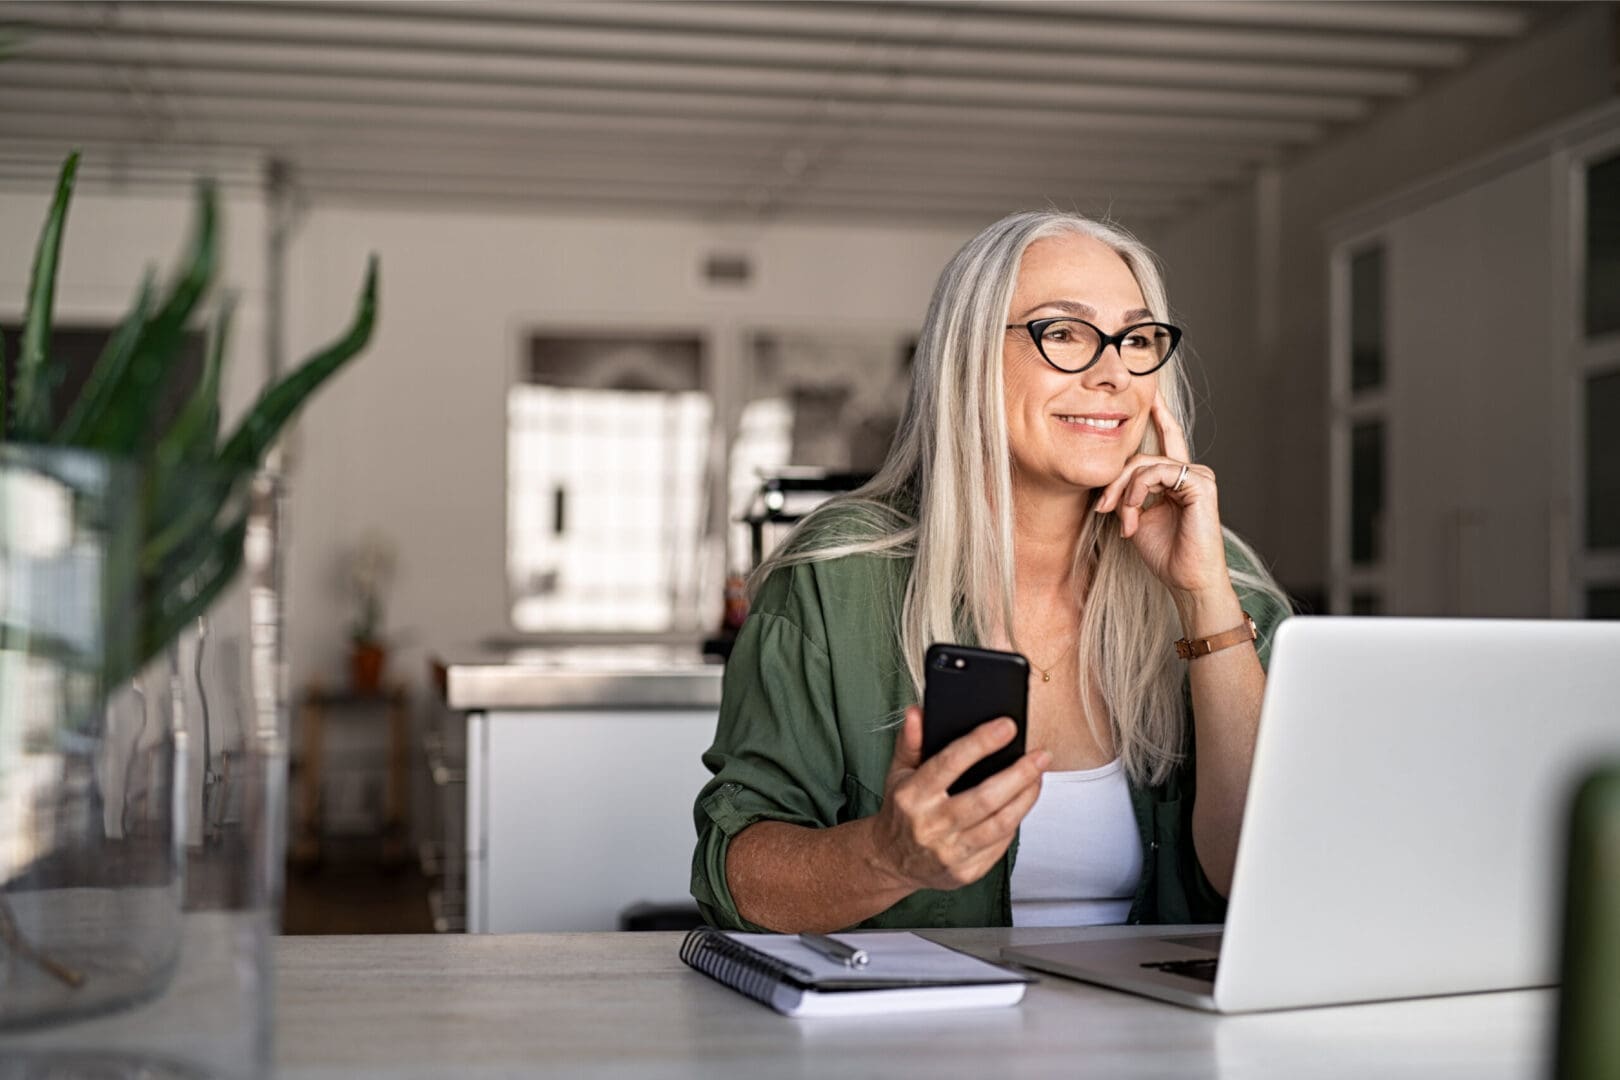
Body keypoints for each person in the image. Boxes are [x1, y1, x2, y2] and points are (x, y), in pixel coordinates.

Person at [691, 210, 1293, 933]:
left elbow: (1271, 875)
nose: (1112, 374)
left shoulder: (1223, 579)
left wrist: (1203, 601)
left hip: (1168, 1041)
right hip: (918, 1038)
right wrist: (887, 858)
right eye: (1063, 333)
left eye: (1136, 340)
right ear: (968, 358)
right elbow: (736, 876)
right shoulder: (839, 575)